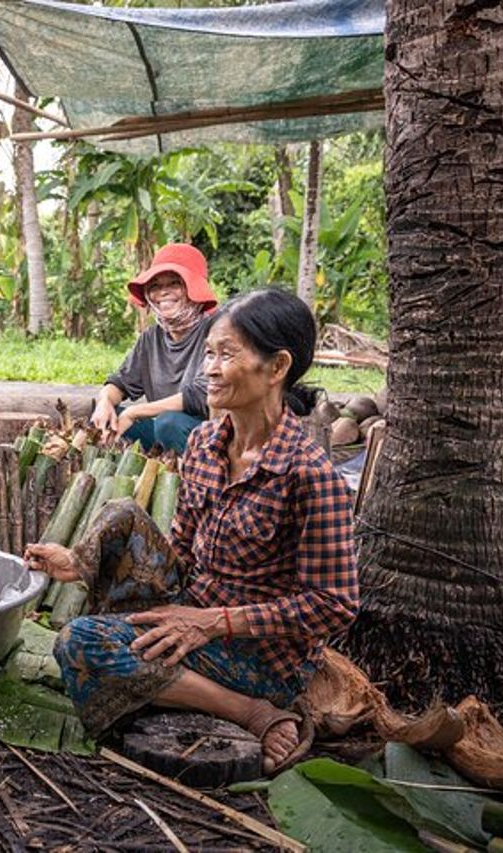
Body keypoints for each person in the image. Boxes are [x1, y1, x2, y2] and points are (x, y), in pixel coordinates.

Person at [26, 288, 358, 774]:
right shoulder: (203, 444)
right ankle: (172, 683)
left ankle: (250, 711)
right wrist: (80, 565)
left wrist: (213, 622)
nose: (210, 368)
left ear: (277, 366)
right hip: (194, 609)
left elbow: (334, 605)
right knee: (120, 513)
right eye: (209, 353)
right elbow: (179, 548)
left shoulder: (310, 475)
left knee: (82, 644)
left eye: (227, 355)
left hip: (258, 654)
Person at [90, 243, 218, 452]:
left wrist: (134, 412)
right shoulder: (151, 338)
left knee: (168, 423)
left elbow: (201, 395)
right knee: (104, 420)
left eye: (175, 283)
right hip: (162, 428)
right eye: (156, 286)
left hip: (209, 434)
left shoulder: (217, 330)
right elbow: (121, 382)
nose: (163, 293)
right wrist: (104, 402)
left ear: (193, 288)